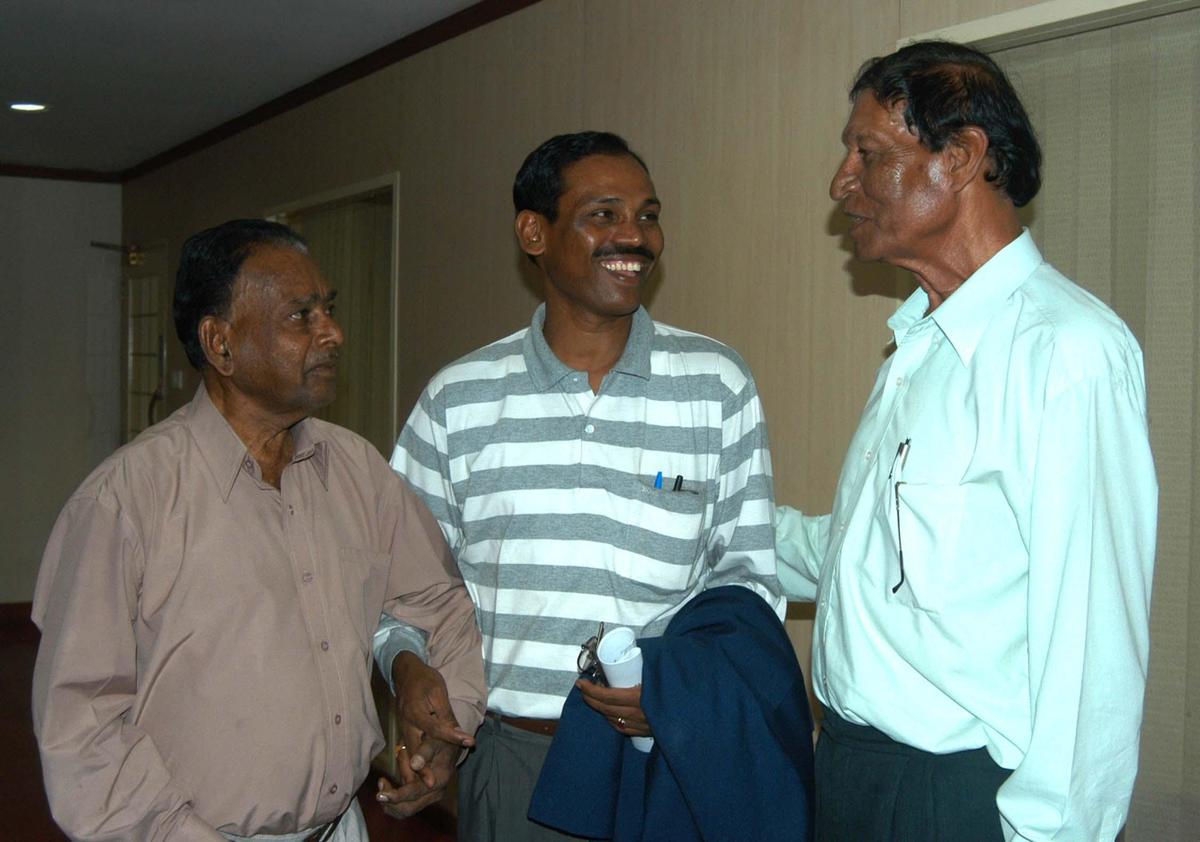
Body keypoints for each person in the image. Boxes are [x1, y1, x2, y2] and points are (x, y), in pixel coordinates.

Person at [373, 131, 808, 841]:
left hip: (665, 761)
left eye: (647, 214)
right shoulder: (459, 399)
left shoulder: (716, 384)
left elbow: (748, 584)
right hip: (515, 761)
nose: (633, 236)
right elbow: (400, 585)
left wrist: (673, 690)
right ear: (534, 232)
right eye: (603, 214)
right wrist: (406, 668)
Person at [775, 40, 1158, 841]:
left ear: (961, 156)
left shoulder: (1065, 352)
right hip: (853, 773)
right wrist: (721, 523)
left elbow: (1089, 649)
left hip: (955, 797)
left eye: (868, 152)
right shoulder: (922, 347)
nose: (841, 182)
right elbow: (873, 557)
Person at [31, 218, 486, 842]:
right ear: (219, 343)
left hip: (339, 828)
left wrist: (445, 728)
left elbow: (438, 604)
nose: (333, 333)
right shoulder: (124, 502)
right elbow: (83, 723)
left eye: (328, 308)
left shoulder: (355, 471)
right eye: (301, 316)